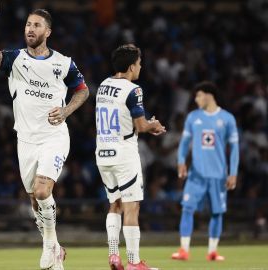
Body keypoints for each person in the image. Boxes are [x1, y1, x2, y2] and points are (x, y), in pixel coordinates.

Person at [0, 3, 89, 270]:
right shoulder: (15, 59)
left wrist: (67, 110)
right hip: (25, 140)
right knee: (35, 202)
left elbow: (82, 91)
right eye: (28, 24)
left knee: (41, 190)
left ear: (48, 31)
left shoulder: (64, 63)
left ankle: (49, 245)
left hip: (54, 136)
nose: (30, 29)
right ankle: (56, 249)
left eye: (36, 25)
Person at [96, 44, 165, 270]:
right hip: (124, 154)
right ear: (130, 66)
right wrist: (153, 125)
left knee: (114, 204)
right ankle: (134, 263)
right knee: (131, 206)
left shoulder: (103, 86)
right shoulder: (133, 90)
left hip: (103, 153)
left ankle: (114, 255)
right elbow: (140, 125)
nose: (140, 66)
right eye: (139, 62)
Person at [171, 81, 239, 261]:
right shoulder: (193, 117)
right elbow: (184, 143)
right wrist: (181, 162)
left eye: (198, 95)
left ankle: (212, 252)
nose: (196, 99)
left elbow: (235, 148)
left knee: (217, 212)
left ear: (208, 95)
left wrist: (233, 173)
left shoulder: (227, 118)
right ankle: (184, 250)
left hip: (218, 176)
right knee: (187, 208)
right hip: (196, 175)